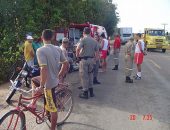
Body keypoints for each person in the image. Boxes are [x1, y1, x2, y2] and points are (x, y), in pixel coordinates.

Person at [28, 29, 69, 130]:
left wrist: (41, 86)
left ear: (42, 38)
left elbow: (44, 69)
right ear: (52, 38)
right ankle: (33, 104)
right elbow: (66, 63)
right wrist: (59, 75)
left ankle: (52, 128)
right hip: (54, 80)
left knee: (53, 108)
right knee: (34, 79)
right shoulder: (57, 49)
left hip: (49, 84)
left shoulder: (40, 50)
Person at [76, 27, 99, 99]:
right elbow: (97, 52)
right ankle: (91, 92)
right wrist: (95, 60)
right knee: (90, 75)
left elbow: (77, 49)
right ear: (90, 32)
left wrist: (77, 56)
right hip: (91, 60)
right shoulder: (94, 41)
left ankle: (85, 93)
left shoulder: (83, 40)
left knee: (84, 76)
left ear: (83, 32)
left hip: (84, 60)